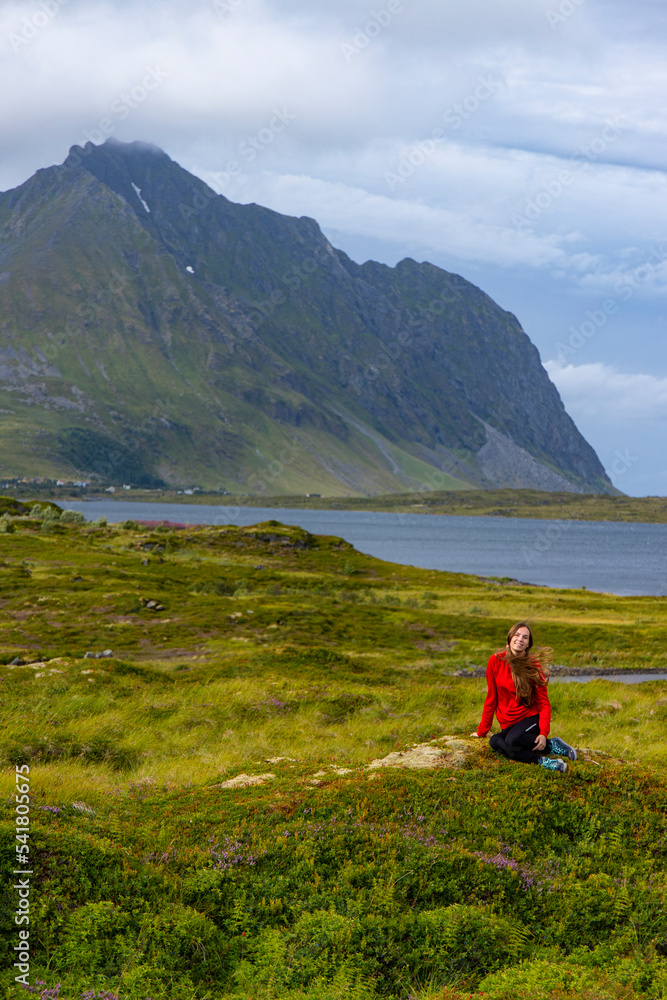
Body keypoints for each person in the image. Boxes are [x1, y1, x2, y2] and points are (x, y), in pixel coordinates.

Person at [473, 622, 577, 773]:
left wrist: (543, 733)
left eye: (525, 637)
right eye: (517, 635)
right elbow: (491, 699)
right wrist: (482, 731)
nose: (520, 639)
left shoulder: (533, 666)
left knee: (512, 741)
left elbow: (544, 703)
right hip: (508, 724)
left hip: (530, 719)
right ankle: (544, 761)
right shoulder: (495, 661)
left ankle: (551, 745)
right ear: (509, 639)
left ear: (528, 644)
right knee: (495, 741)